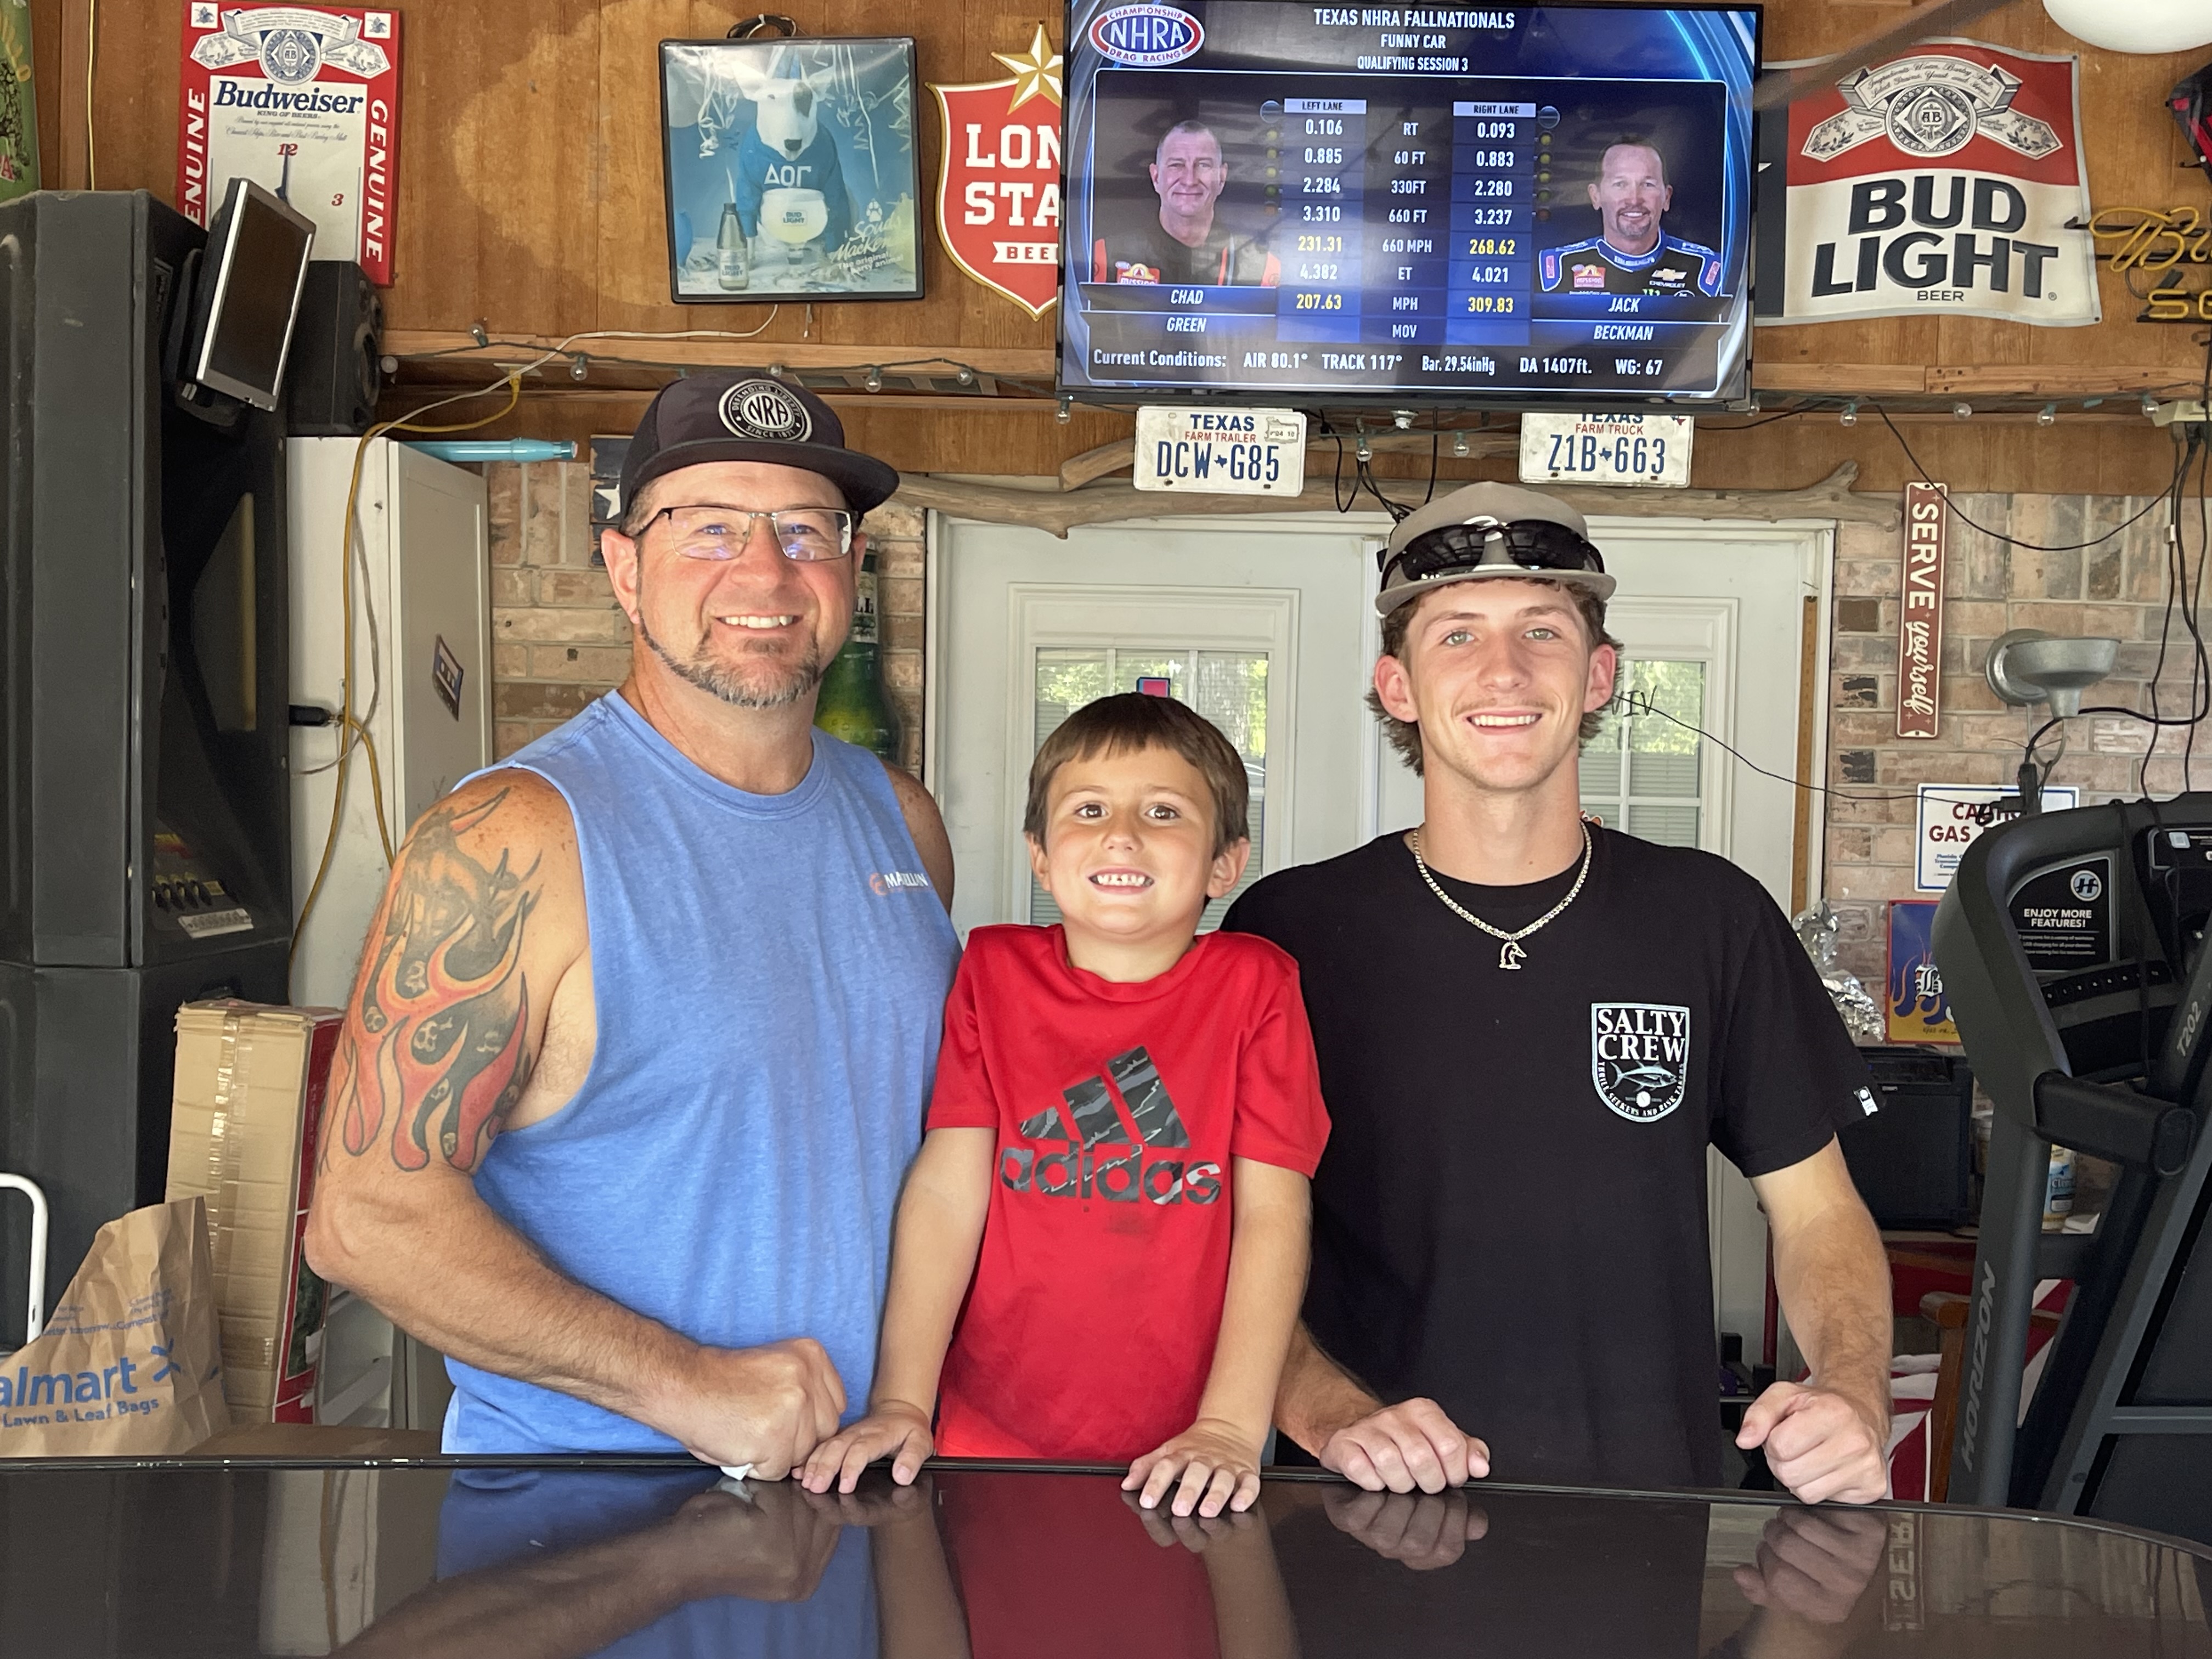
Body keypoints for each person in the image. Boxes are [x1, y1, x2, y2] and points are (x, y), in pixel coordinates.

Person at [303, 373, 960, 1473]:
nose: (766, 570)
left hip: (862, 1482)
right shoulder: (513, 837)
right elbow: (368, 1218)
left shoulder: (901, 819)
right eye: (709, 529)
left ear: (848, 568)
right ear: (624, 568)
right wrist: (684, 1385)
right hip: (592, 1510)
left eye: (807, 528)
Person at [1223, 482, 1893, 1505]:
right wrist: (1329, 1414)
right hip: (1359, 1507)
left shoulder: (1710, 916)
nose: (1504, 668)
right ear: (1397, 686)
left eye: (1543, 629)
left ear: (1598, 675)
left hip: (1643, 1513)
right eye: (1456, 634)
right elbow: (1218, 1238)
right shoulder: (1287, 931)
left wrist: (1852, 1385)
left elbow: (1817, 1213)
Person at [802, 693, 1328, 1519]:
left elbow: (1272, 1215)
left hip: (1190, 1458)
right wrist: (902, 1401)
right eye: (1089, 810)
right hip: (985, 1440)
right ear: (1040, 857)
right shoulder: (993, 971)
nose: (1122, 834)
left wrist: (1230, 1427)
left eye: (1164, 811)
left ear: (1227, 864)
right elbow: (947, 1194)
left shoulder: (1257, 986)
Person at [1092, 119, 1280, 286]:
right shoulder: (1106, 257)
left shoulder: (1262, 268)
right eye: (1176, 165)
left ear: (1222, 178)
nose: (1189, 180)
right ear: (1156, 177)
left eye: (1203, 165)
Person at [1537, 140, 1723, 298]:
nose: (1634, 199)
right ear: (1596, 196)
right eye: (1620, 184)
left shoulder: (1707, 271)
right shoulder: (1555, 271)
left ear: (1666, 198)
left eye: (1647, 184)